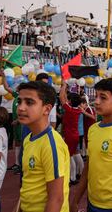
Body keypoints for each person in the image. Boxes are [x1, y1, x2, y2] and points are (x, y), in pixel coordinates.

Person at [71, 78, 112, 212]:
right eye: (96, 96)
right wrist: (75, 200)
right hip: (93, 203)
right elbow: (88, 167)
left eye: (103, 97)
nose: (97, 101)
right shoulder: (93, 129)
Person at [18, 81, 70, 212]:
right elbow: (29, 182)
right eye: (19, 101)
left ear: (47, 109)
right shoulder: (28, 139)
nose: (21, 107)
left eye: (29, 102)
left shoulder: (51, 144)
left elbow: (56, 198)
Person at [59, 82, 83, 185]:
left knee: (68, 157)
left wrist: (64, 86)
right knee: (73, 154)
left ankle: (71, 178)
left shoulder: (70, 110)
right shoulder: (77, 110)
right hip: (75, 135)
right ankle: (77, 174)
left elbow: (61, 98)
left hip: (69, 136)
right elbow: (64, 98)